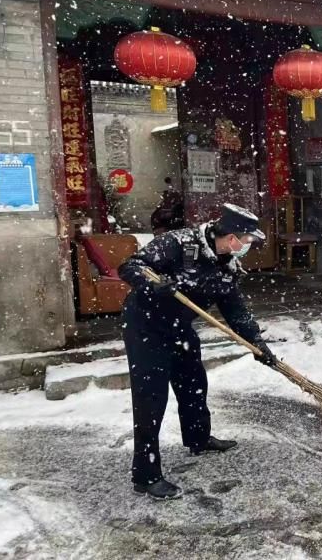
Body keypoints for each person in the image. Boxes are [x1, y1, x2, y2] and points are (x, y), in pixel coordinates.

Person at [118, 203, 279, 500]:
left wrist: (257, 343)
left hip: (179, 325)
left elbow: (236, 312)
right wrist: (153, 286)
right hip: (146, 326)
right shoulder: (178, 243)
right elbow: (130, 266)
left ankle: (198, 438)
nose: (246, 246)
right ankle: (146, 474)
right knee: (151, 398)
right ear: (231, 236)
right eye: (245, 239)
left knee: (193, 383)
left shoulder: (227, 266)